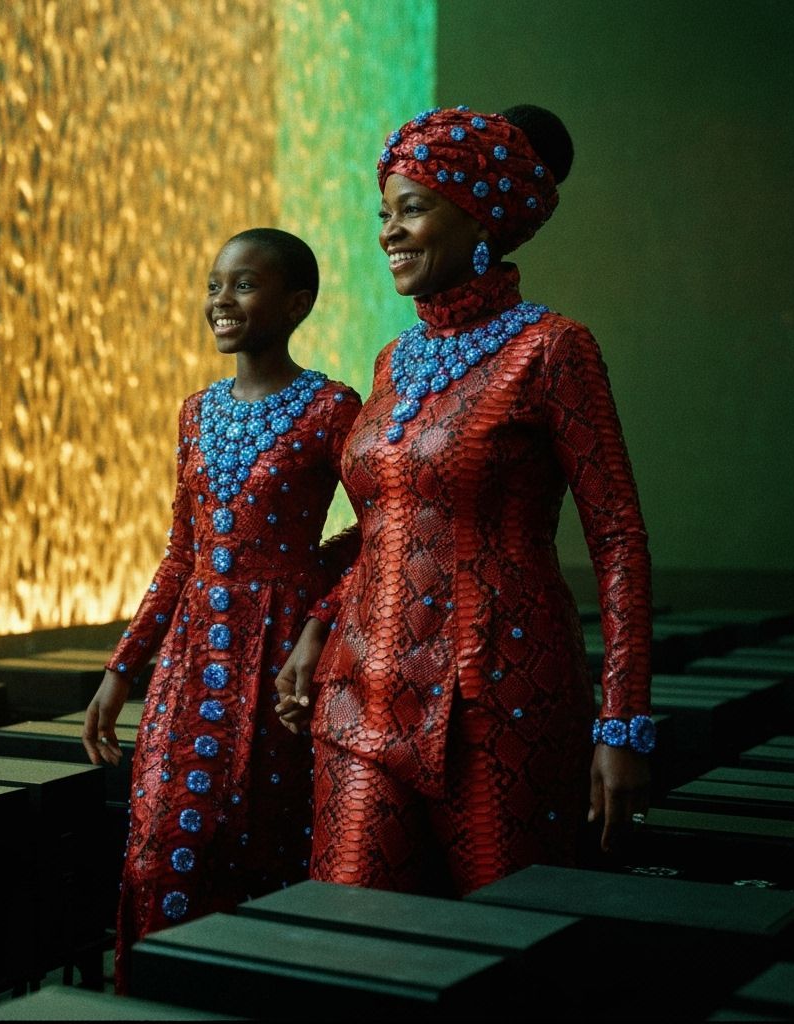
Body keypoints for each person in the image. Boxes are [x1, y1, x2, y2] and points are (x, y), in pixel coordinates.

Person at [275, 105, 653, 899]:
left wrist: (622, 724)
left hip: (500, 700)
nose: (389, 232)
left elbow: (617, 539)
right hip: (359, 693)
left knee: (501, 952)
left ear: (478, 213)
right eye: (383, 212)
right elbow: (385, 525)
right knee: (348, 942)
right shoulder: (390, 361)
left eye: (412, 208)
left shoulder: (553, 348)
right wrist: (318, 620)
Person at [83, 227, 362, 992]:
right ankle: (151, 1001)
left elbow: (382, 530)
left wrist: (312, 601)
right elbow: (180, 553)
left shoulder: (335, 408)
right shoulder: (193, 411)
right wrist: (121, 670)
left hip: (281, 668)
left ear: (297, 302)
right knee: (159, 844)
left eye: (242, 285)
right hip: (188, 663)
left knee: (261, 846)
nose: (220, 301)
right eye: (213, 285)